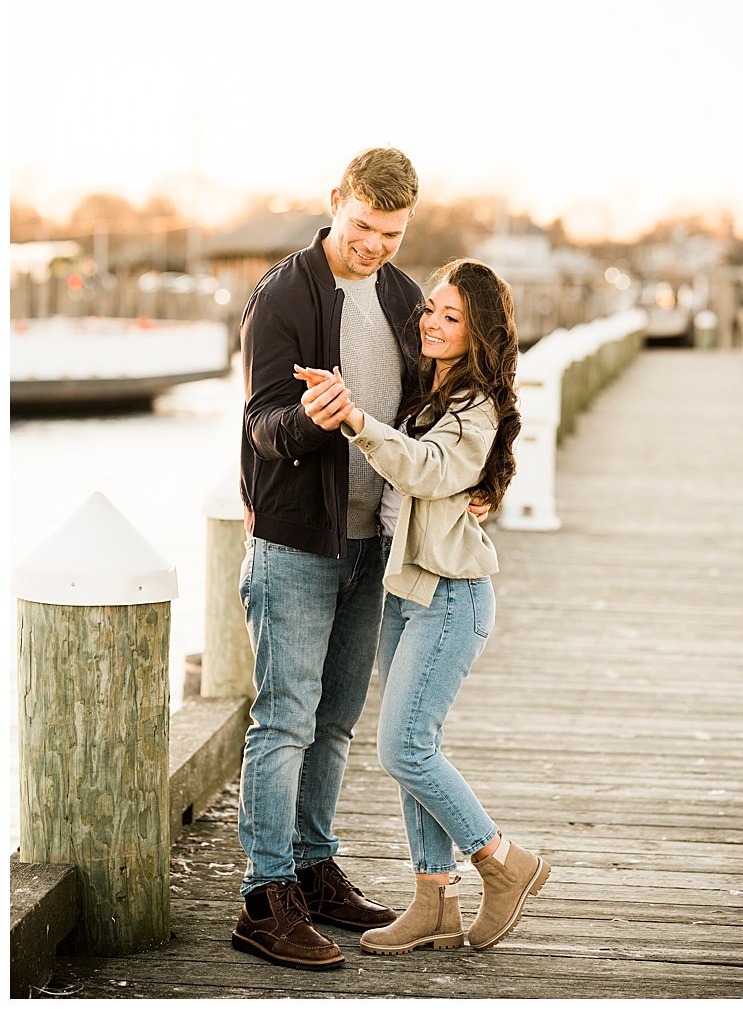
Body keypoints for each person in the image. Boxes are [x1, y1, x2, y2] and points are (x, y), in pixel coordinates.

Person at [296, 258, 549, 956]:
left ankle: (501, 858)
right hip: (405, 590)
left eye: (452, 317)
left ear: (481, 332)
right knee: (416, 748)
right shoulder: (431, 393)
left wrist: (354, 418)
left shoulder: (476, 407)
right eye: (431, 309)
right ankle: (433, 901)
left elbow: (429, 468)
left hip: (450, 596)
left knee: (402, 746)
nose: (433, 324)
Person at [234, 148, 425, 969]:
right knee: (283, 720)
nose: (375, 246)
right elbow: (262, 426)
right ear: (335, 202)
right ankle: (264, 894)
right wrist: (314, 416)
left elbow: (427, 412)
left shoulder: (403, 295)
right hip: (294, 544)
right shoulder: (282, 295)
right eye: (362, 227)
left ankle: (313, 869)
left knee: (336, 722)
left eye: (390, 233)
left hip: (372, 543)